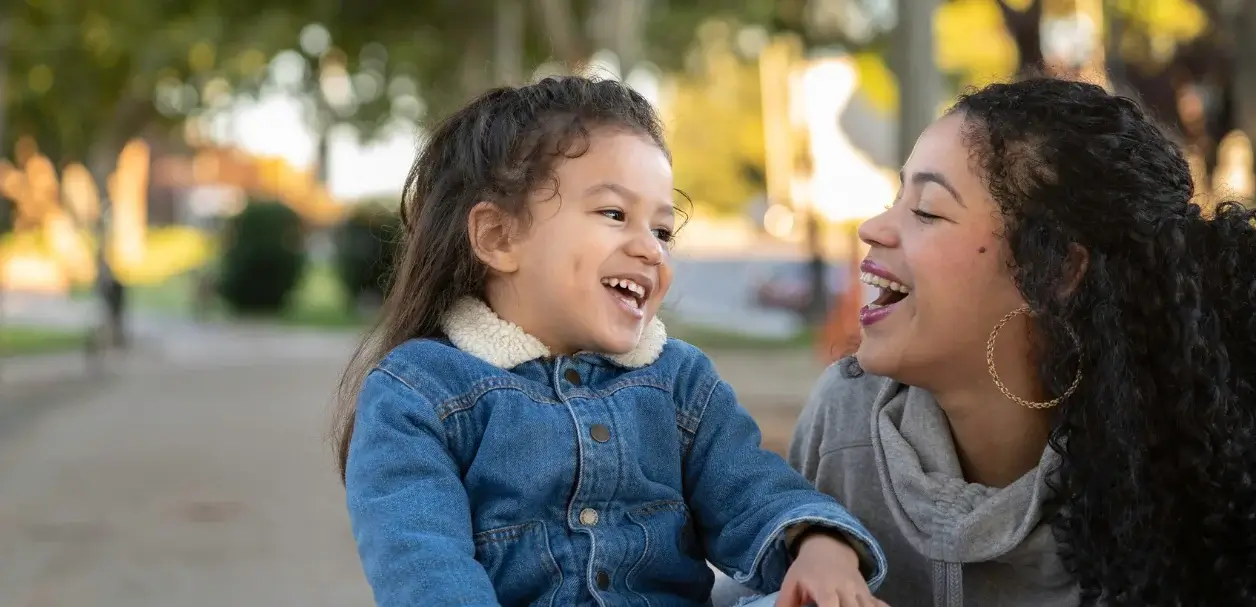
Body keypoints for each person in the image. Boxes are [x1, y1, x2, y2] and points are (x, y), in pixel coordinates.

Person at [331, 76, 889, 607]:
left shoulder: (679, 382)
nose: (650, 249)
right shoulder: (418, 394)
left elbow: (753, 489)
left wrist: (820, 546)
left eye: (663, 229)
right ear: (499, 237)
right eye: (615, 214)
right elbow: (425, 572)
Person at [725, 77, 1256, 606]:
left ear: (1055, 271)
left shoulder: (1174, 456)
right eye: (896, 198)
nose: (873, 228)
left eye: (927, 211)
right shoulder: (846, 420)